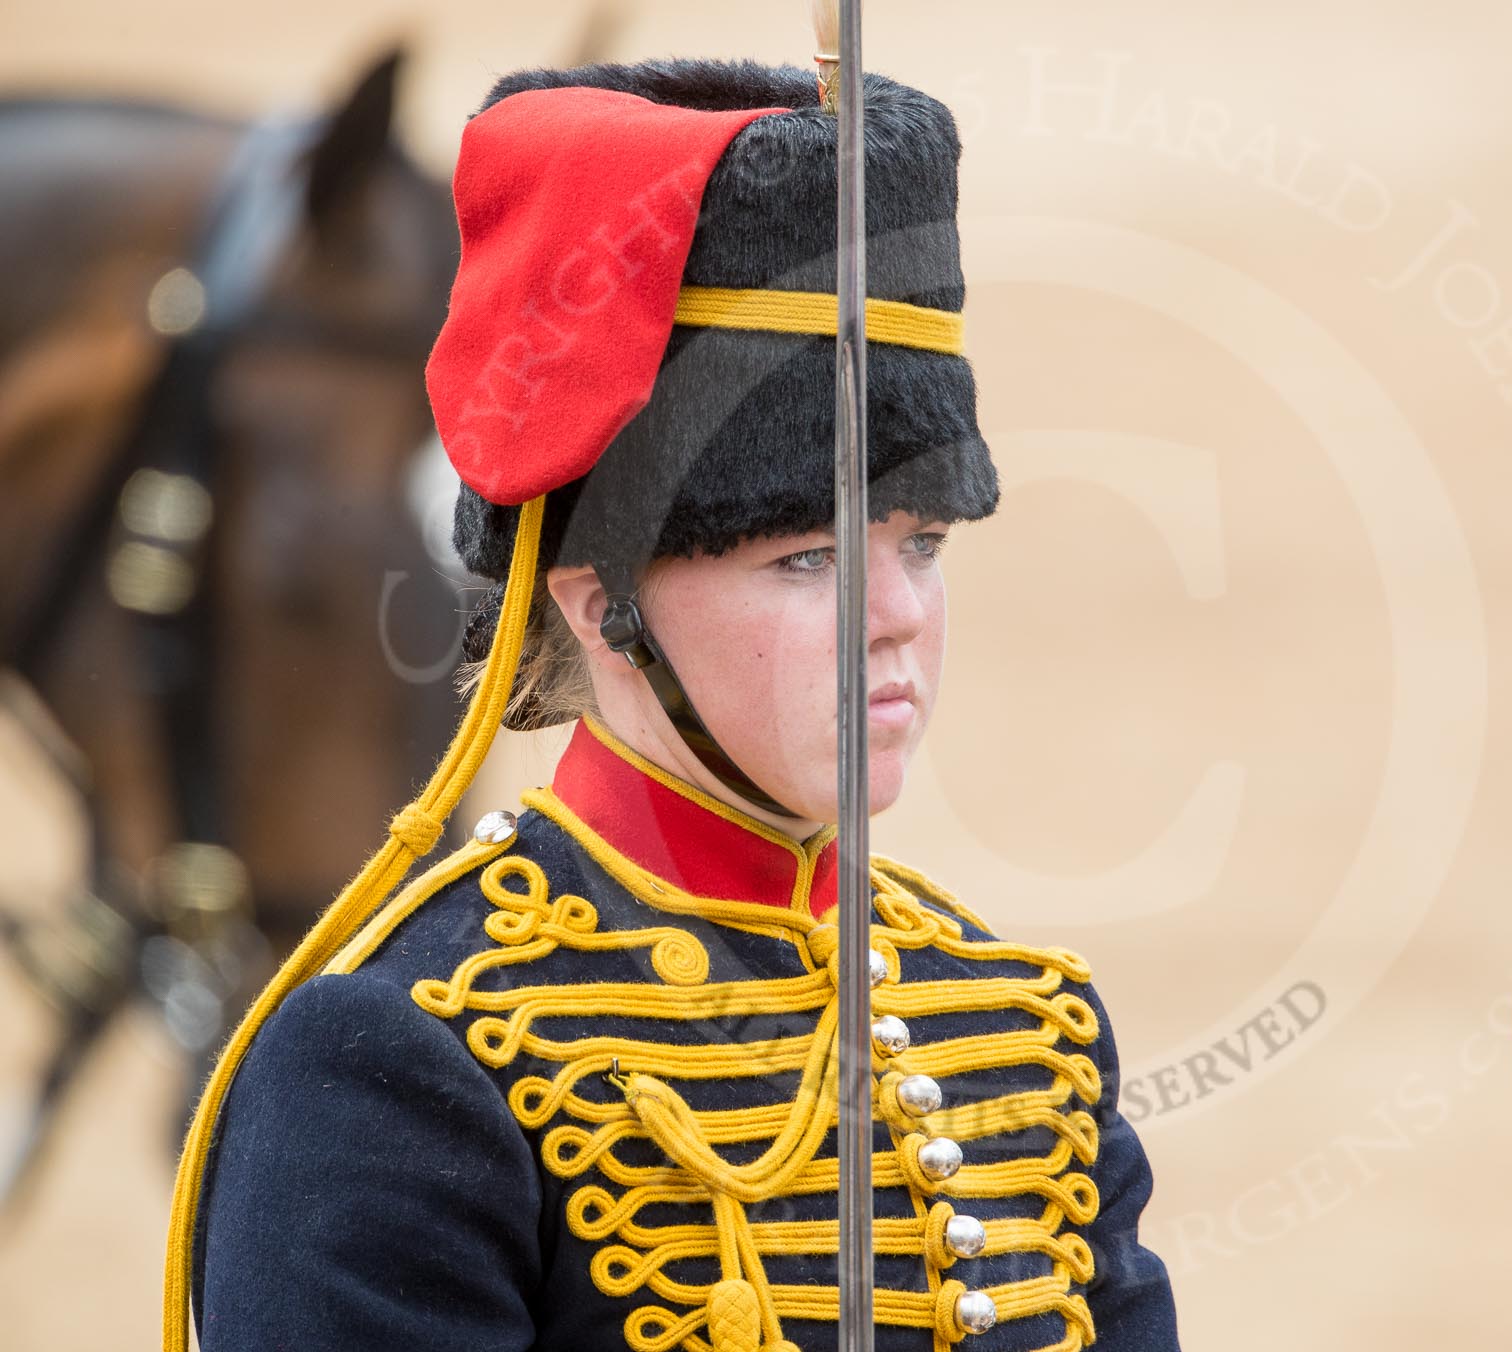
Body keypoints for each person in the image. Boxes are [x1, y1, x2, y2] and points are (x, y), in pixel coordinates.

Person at [163, 54, 1184, 1352]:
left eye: (921, 542)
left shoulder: (1026, 1030)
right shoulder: (392, 1067)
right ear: (599, 595)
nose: (901, 614)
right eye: (805, 559)